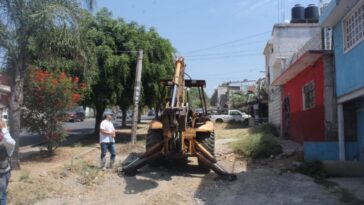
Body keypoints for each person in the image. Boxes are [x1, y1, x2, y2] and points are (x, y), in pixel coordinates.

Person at [0, 119, 15, 205]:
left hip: (3, 174)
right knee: (2, 196)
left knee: (1, 196)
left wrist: (4, 129)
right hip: (4, 173)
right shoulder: (7, 144)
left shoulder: (6, 144)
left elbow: (11, 142)